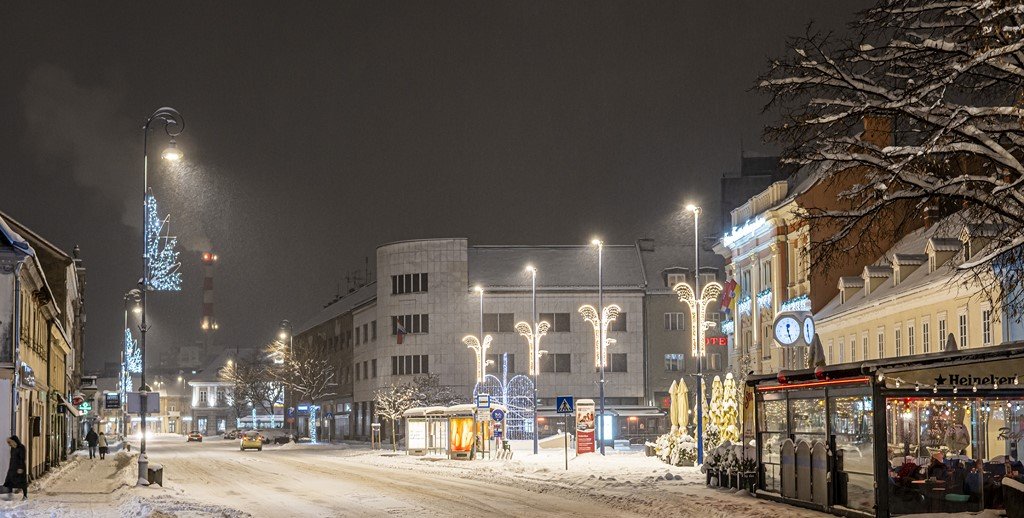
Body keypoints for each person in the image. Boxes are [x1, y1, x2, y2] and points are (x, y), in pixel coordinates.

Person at [3, 436, 27, 500]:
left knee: (22, 481)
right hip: (13, 467)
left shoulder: (21, 447)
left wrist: (21, 468)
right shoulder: (13, 448)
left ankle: (25, 495)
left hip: (20, 467)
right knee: (9, 480)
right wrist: (10, 466)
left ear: (14, 442)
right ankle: (10, 494)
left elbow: (22, 458)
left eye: (10, 442)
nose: (9, 444)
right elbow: (12, 458)